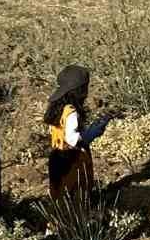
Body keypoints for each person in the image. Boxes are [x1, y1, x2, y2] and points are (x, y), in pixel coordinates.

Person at [44, 65, 109, 202]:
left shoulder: (57, 108)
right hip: (73, 160)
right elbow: (73, 139)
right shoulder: (71, 111)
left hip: (57, 158)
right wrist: (93, 132)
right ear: (78, 90)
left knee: (60, 197)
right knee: (77, 197)